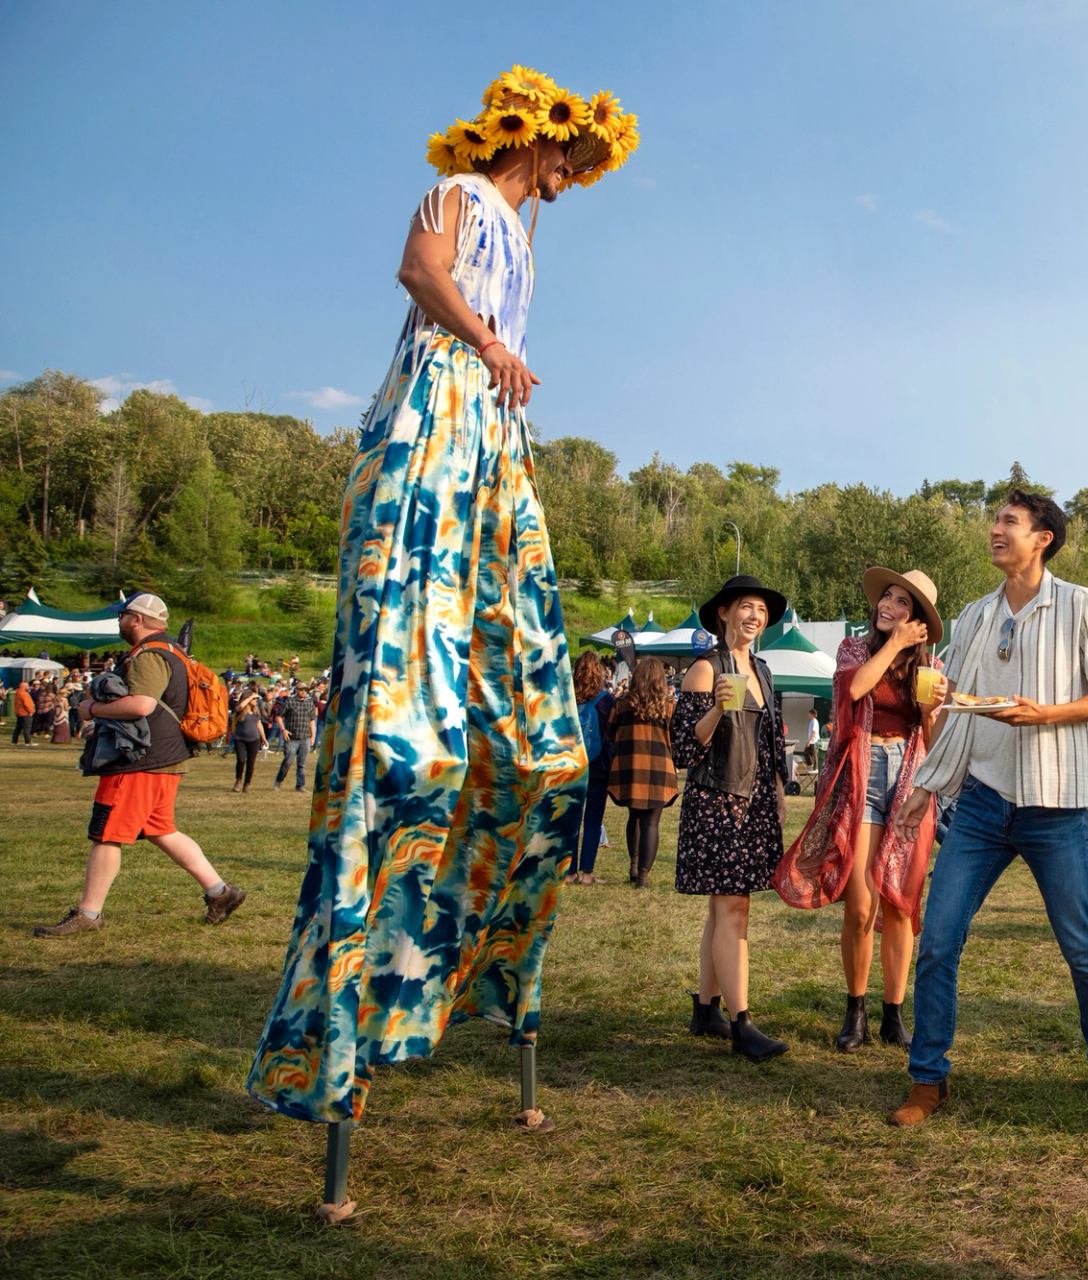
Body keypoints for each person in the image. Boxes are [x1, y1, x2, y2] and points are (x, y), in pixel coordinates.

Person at [248, 68, 637, 1126]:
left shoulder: (528, 237)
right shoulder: (460, 196)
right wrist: (487, 340)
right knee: (408, 744)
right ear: (538, 138)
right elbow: (418, 270)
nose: (573, 177)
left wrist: (505, 362)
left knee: (550, 758)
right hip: (437, 416)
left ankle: (467, 967)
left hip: (494, 442)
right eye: (571, 157)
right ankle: (340, 1014)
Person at [882, 490, 1088, 1126]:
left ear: (1043, 537)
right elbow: (955, 709)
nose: (995, 530)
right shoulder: (971, 617)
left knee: (1080, 943)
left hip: (1057, 805)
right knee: (937, 940)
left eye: (1009, 522)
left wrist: (1048, 714)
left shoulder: (1080, 606)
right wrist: (927, 786)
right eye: (994, 520)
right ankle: (928, 1079)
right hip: (984, 804)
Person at [776, 567, 947, 1052]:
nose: (889, 607)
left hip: (910, 776)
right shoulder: (856, 648)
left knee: (900, 902)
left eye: (902, 604)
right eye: (887, 599)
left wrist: (933, 711)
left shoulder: (930, 664)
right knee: (861, 903)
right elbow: (853, 691)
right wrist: (892, 644)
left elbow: (934, 743)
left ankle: (894, 1014)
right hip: (861, 771)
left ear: (919, 621)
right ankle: (856, 1010)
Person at [34, 594, 247, 936]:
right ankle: (221, 892)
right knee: (161, 829)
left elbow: (142, 705)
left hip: (140, 759)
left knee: (106, 835)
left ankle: (88, 914)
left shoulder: (149, 655)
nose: (119, 622)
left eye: (123, 616)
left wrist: (92, 709)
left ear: (136, 619)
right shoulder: (173, 651)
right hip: (165, 757)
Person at [673, 575, 792, 1061]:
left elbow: (769, 742)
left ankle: (706, 1008)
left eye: (761, 611)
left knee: (722, 910)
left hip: (756, 801)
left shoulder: (762, 669)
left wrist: (780, 789)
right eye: (746, 607)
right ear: (723, 613)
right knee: (733, 911)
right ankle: (742, 1022)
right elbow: (684, 748)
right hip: (719, 800)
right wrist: (719, 709)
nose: (754, 617)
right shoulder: (705, 669)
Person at [607, 655, 678, 888]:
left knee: (634, 817)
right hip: (660, 771)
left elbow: (610, 734)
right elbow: (676, 740)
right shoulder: (669, 708)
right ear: (660, 680)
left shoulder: (622, 705)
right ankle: (644, 875)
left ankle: (634, 866)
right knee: (651, 822)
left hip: (630, 769)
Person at [563, 652, 616, 885]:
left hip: (571, 765)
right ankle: (587, 873)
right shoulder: (606, 701)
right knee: (593, 819)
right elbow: (612, 735)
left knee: (570, 820)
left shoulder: (565, 699)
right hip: (598, 767)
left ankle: (569, 870)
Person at [272, 679, 318, 791]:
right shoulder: (289, 701)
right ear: (297, 690)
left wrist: (313, 736)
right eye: (301, 689)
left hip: (305, 738)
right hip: (291, 738)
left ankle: (300, 786)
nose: (303, 691)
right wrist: (283, 729)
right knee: (288, 762)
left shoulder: (309, 702)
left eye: (305, 689)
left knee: (302, 764)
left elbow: (312, 720)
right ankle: (278, 781)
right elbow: (278, 716)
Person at [231, 692, 266, 792]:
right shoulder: (240, 711)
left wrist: (263, 738)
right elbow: (238, 708)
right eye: (254, 699)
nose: (256, 701)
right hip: (240, 739)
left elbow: (259, 724)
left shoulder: (256, 711)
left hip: (254, 739)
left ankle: (247, 783)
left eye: (256, 699)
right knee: (241, 760)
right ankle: (238, 780)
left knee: (251, 763)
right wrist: (250, 697)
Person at [12, 678, 36, 745]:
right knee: (27, 728)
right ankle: (28, 742)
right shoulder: (25, 694)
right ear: (24, 687)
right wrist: (31, 711)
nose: (29, 687)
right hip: (25, 713)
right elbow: (28, 704)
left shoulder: (17, 693)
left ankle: (14, 741)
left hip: (19, 712)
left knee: (18, 728)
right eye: (27, 686)